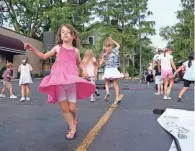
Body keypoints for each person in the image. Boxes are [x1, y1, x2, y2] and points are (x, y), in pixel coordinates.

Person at [24, 24, 96, 140]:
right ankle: (72, 128)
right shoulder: (57, 48)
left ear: (73, 36)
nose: (65, 33)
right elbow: (43, 56)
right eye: (63, 31)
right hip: (58, 82)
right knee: (64, 108)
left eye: (68, 31)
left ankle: (74, 119)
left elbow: (79, 63)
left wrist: (83, 70)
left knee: (72, 109)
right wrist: (32, 48)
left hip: (71, 82)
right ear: (60, 35)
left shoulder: (75, 51)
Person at [99, 37, 123, 104]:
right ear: (111, 46)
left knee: (106, 82)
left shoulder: (104, 54)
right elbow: (118, 45)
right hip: (114, 69)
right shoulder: (114, 50)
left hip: (108, 69)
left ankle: (107, 92)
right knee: (115, 83)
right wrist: (112, 40)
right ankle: (117, 97)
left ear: (105, 46)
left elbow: (101, 63)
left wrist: (102, 60)